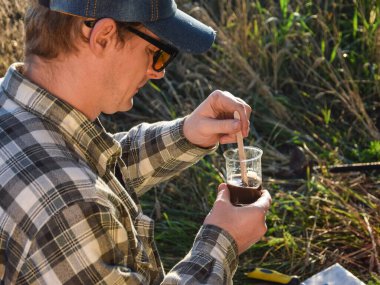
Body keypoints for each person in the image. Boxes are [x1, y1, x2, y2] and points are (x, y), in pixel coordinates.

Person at [0, 0, 272, 284]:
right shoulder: (68, 207)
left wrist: (187, 133)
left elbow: (93, 167)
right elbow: (78, 187)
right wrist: (221, 242)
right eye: (155, 52)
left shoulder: (16, 109)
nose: (158, 71)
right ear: (103, 36)